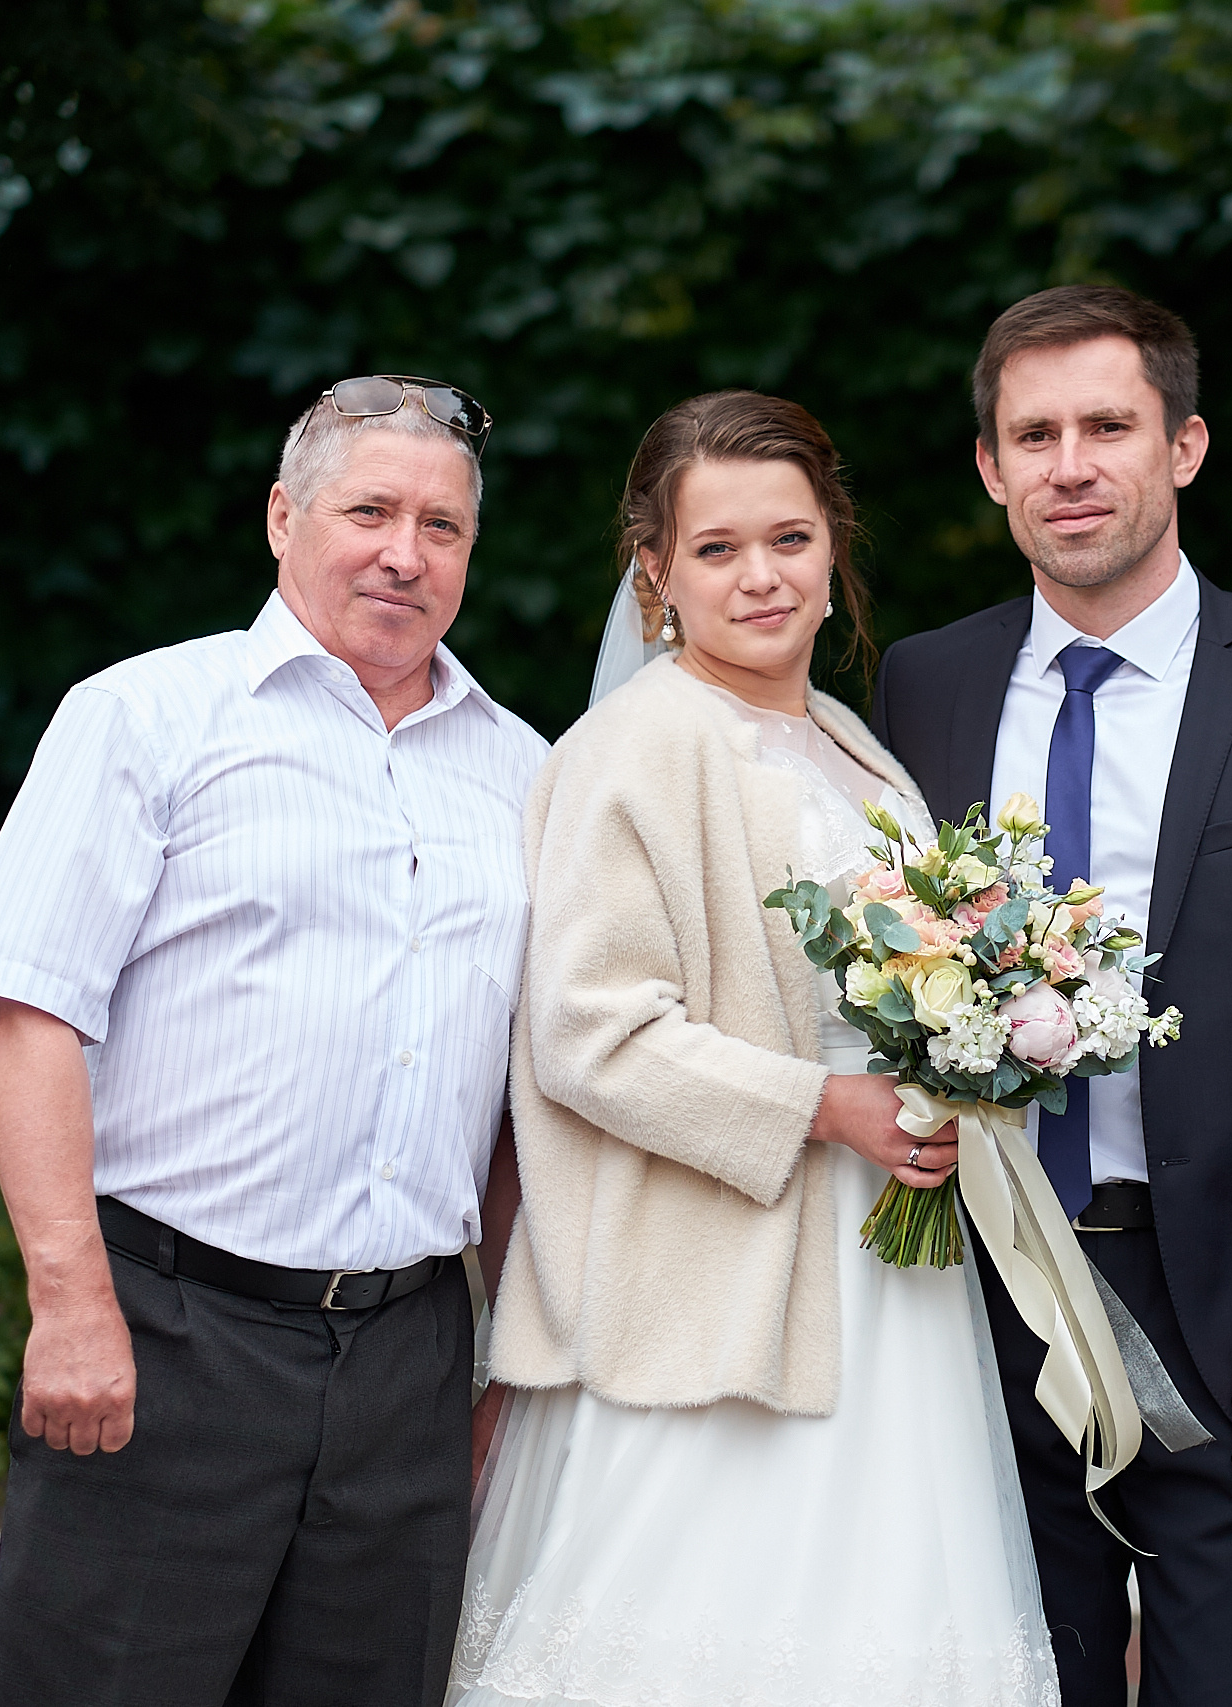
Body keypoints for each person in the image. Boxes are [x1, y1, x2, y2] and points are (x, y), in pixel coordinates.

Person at [0, 377, 547, 1705]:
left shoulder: (525, 771)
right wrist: (72, 1301)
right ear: (283, 517)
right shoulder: (146, 718)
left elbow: (518, 1097)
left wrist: (504, 1357)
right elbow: (32, 1015)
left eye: (442, 525)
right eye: (370, 509)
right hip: (170, 1335)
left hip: (410, 1358)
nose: (405, 549)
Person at [452, 390, 1062, 1706]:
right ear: (655, 569)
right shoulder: (636, 747)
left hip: (882, 1270)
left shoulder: (850, 750)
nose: (762, 575)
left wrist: (968, 1059)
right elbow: (586, 1030)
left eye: (788, 537)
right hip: (710, 1279)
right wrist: (823, 1105)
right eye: (717, 547)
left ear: (832, 544)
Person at [870, 286, 1232, 1707]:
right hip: (975, 1293)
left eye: (1108, 425)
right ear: (989, 467)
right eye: (1032, 433)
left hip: (1225, 1304)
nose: (1071, 464)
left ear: (1184, 446)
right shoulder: (924, 683)